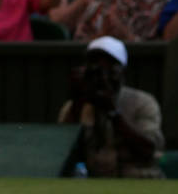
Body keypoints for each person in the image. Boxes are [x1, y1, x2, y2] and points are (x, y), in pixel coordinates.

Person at [57, 36, 166, 178]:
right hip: (92, 186)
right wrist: (78, 102)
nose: (103, 75)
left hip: (139, 180)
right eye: (95, 67)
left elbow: (148, 151)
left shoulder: (143, 102)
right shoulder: (77, 106)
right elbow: (60, 154)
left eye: (110, 68)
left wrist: (113, 113)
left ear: (122, 71)